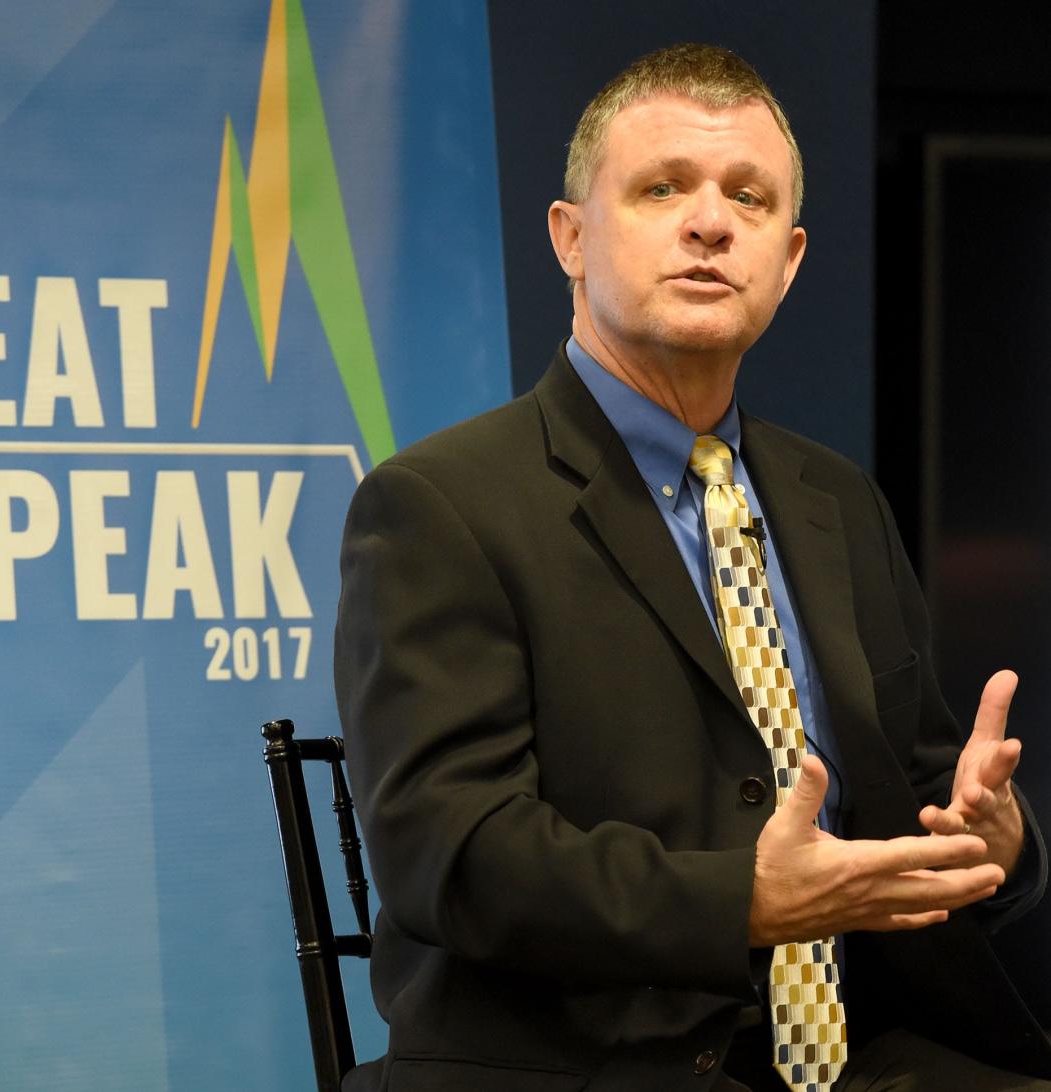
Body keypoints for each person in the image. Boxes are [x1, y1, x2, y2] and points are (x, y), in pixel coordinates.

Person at [333, 43, 1051, 1091]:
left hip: (852, 1058)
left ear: (792, 258)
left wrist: (997, 838)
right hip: (575, 1067)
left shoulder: (835, 500)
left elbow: (928, 790)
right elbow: (453, 854)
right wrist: (743, 902)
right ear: (570, 239)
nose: (711, 222)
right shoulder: (441, 506)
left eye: (749, 199)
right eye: (662, 188)